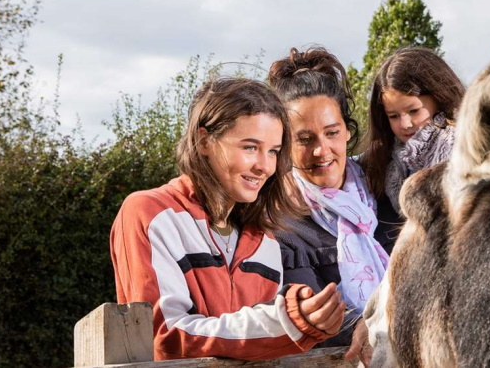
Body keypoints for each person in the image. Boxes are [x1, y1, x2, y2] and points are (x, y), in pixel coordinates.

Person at [110, 78, 345, 361]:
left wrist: (302, 313)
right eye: (250, 147)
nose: (264, 166)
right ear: (204, 140)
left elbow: (261, 344)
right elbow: (165, 335)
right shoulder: (151, 213)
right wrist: (285, 321)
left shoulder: (264, 239)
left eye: (273, 151)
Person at [267, 47, 402, 365]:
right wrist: (367, 329)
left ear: (347, 130)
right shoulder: (281, 225)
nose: (321, 150)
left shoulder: (388, 191)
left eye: (331, 133)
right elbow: (317, 316)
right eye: (304, 139)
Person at [361, 46, 467, 215]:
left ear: (439, 97)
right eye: (393, 116)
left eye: (414, 111)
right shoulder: (381, 159)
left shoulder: (465, 151)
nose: (405, 124)